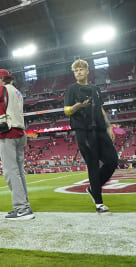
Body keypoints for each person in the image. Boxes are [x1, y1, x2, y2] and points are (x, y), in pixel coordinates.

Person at [0, 69, 35, 220]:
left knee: (10, 172)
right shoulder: (17, 91)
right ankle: (25, 204)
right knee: (19, 172)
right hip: (20, 132)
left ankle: (21, 208)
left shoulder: (1, 89)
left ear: (1, 78)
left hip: (7, 132)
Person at [64, 59, 118, 215]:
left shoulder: (95, 89)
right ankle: (99, 204)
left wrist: (108, 126)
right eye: (76, 70)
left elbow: (100, 108)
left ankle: (93, 188)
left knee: (112, 161)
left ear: (88, 71)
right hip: (83, 130)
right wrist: (78, 106)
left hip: (100, 129)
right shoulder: (71, 89)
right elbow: (67, 110)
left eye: (81, 69)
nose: (78, 72)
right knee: (93, 165)